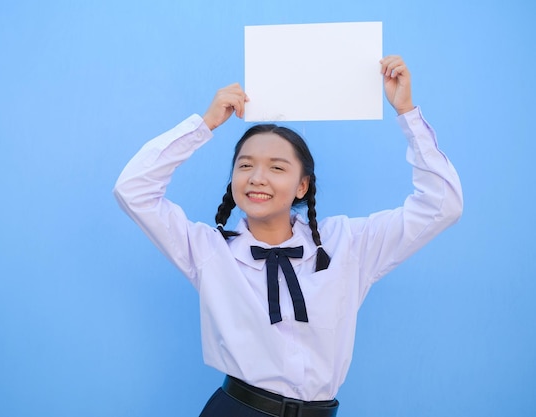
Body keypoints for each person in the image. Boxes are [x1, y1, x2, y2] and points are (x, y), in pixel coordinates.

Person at [113, 55, 463, 417]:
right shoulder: (210, 249)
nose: (257, 178)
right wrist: (205, 125)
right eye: (245, 165)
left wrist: (406, 112)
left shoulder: (349, 244)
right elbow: (133, 190)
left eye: (276, 167)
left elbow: (442, 205)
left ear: (302, 185)